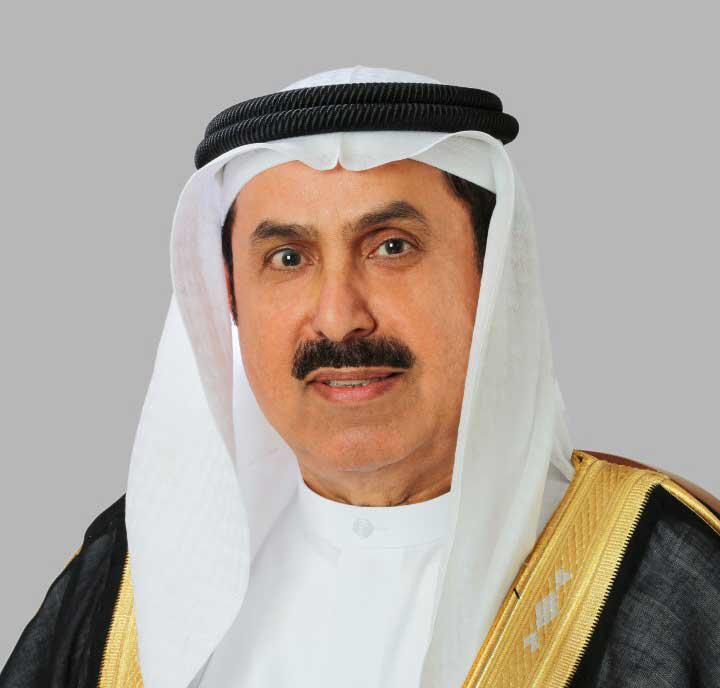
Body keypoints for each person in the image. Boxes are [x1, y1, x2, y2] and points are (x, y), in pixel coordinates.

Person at [2, 65, 718, 688]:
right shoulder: (131, 576)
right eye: (288, 258)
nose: (339, 318)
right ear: (230, 300)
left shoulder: (669, 576)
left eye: (391, 247)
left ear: (493, 279)